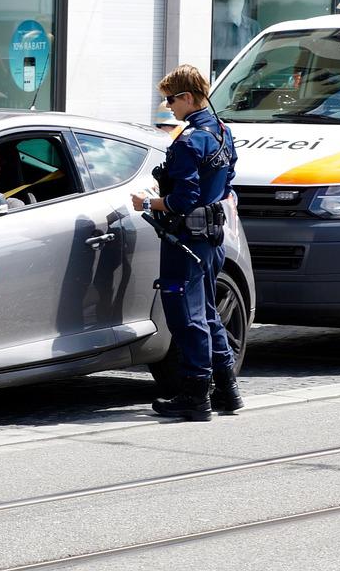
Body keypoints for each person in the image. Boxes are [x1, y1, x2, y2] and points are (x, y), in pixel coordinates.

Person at [131, 65, 240, 421]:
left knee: (186, 316)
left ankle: (195, 396)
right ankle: (227, 389)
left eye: (170, 100)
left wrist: (147, 203)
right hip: (211, 236)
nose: (168, 107)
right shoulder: (222, 131)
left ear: (187, 98)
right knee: (207, 312)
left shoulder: (191, 139)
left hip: (185, 239)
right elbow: (227, 181)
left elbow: (183, 199)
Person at [211, 0, 261, 76]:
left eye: (240, 1)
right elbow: (213, 53)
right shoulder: (217, 26)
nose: (236, 4)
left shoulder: (253, 26)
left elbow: (259, 53)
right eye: (233, 1)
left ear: (244, 3)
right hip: (223, 76)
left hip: (245, 75)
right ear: (228, 3)